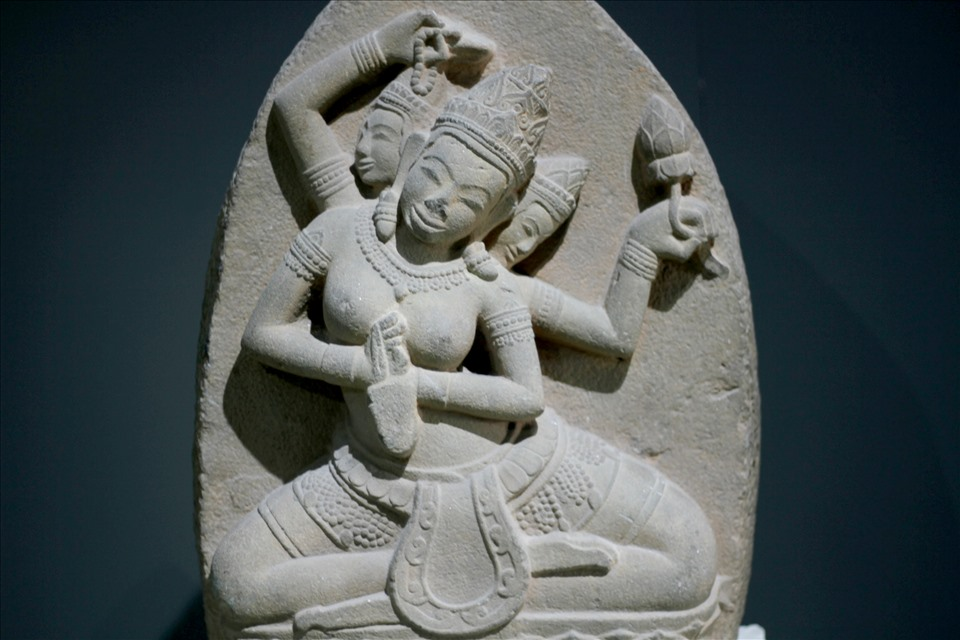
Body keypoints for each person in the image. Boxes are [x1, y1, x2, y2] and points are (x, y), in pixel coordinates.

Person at [211, 62, 719, 640]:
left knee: (691, 557)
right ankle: (431, 578)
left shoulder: (487, 283)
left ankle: (469, 582)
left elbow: (531, 391)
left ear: (498, 213)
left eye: (469, 199)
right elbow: (263, 334)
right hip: (373, 478)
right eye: (434, 175)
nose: (440, 201)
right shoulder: (340, 232)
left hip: (512, 471)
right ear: (413, 156)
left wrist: (641, 246)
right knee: (237, 583)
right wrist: (360, 369)